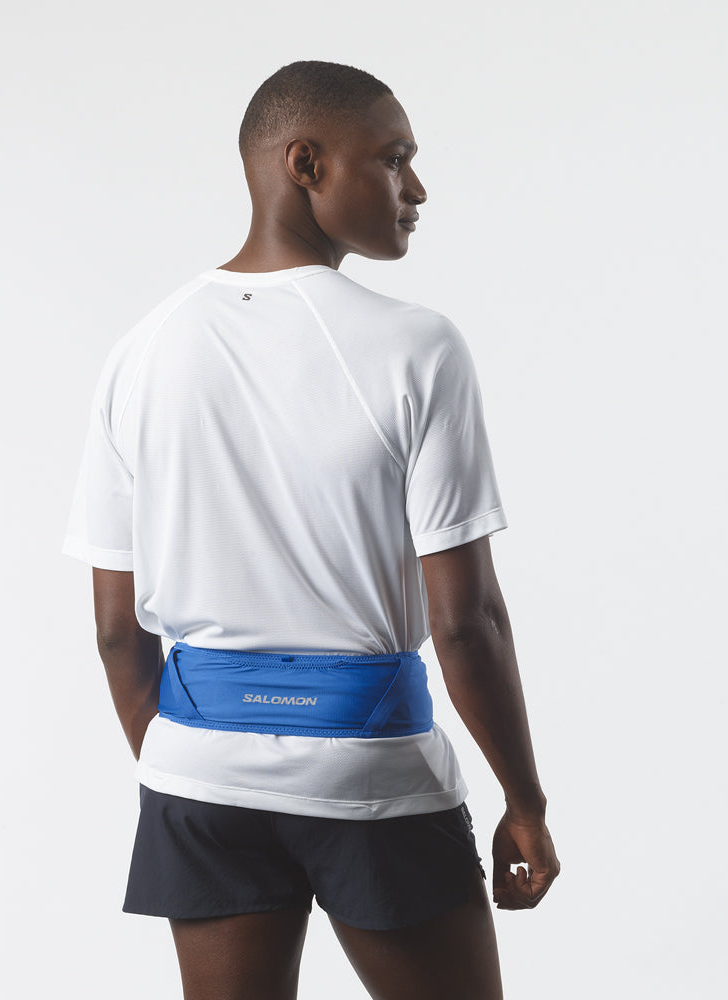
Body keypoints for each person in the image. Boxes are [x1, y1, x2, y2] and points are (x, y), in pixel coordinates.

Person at [64, 59, 559, 1000]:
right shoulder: (417, 345)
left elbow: (116, 631)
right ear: (305, 164)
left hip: (196, 775)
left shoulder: (141, 350)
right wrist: (525, 802)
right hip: (371, 772)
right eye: (394, 159)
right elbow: (467, 622)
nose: (417, 189)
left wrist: (199, 768)